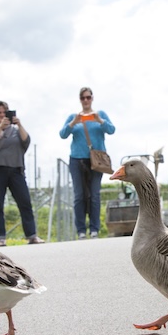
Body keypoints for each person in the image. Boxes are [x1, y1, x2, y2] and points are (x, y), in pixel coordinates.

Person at [0, 101, 44, 247]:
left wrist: (19, 125)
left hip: (16, 170)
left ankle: (31, 235)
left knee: (25, 202)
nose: (2, 115)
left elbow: (26, 141)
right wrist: (0, 127)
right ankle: (0, 237)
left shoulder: (16, 131)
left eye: (5, 113)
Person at [59, 87, 116, 240]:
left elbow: (111, 130)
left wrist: (99, 120)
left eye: (88, 97)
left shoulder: (100, 114)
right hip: (77, 160)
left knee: (94, 195)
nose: (86, 100)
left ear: (92, 98)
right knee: (79, 195)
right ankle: (81, 230)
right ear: (80, 100)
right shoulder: (74, 117)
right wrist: (73, 123)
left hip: (96, 161)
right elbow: (62, 134)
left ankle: (94, 229)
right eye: (83, 98)